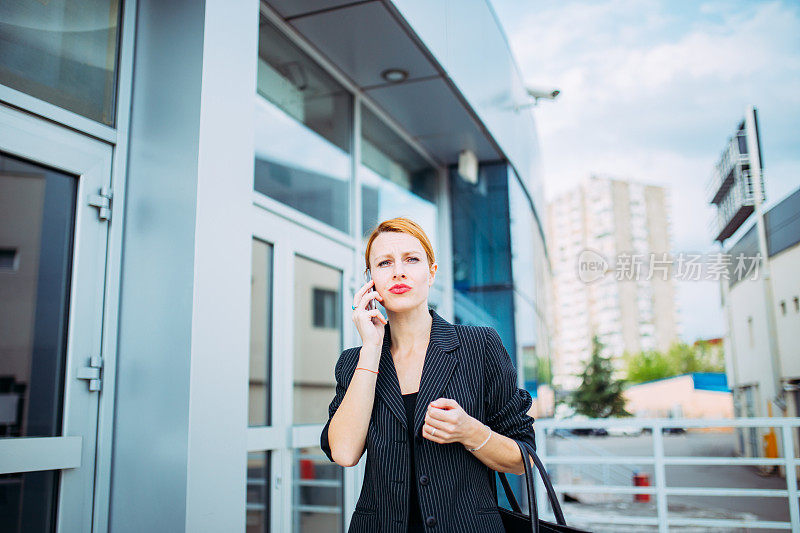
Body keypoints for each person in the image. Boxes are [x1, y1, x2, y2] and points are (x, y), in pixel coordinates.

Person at [320, 217, 535, 532]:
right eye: (384, 263)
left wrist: (469, 432)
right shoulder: (354, 362)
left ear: (431, 272)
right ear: (371, 280)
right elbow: (344, 452)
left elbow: (523, 459)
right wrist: (371, 347)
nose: (398, 271)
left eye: (411, 259)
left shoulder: (479, 345)